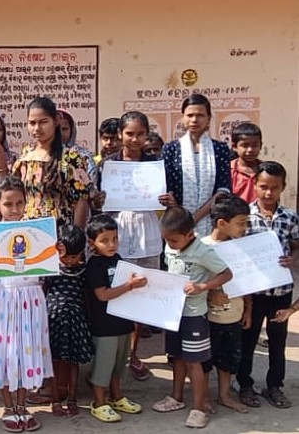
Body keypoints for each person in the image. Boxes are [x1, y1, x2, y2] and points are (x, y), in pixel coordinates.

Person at [0, 176, 52, 432]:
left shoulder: (37, 234)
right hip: (3, 300)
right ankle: (8, 407)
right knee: (6, 353)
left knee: (25, 352)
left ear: (26, 204)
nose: (15, 209)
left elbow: (47, 266)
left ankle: (22, 405)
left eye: (19, 203)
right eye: (9, 204)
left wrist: (56, 252)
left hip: (30, 299)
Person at [94, 112, 167, 382]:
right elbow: (97, 203)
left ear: (147, 134)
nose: (134, 139)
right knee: (120, 296)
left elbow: (168, 202)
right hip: (118, 236)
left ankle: (134, 354)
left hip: (147, 236)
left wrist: (166, 200)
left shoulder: (156, 164)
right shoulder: (108, 165)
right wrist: (98, 200)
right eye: (129, 133)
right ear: (120, 135)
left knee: (142, 300)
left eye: (140, 134)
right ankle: (117, 354)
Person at [153, 207, 232, 428]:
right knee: (176, 356)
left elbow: (226, 273)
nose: (169, 244)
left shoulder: (203, 251)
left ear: (190, 234)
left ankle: (199, 408)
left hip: (194, 315)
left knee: (194, 361)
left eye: (174, 240)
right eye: (166, 240)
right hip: (174, 312)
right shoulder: (171, 248)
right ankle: (176, 397)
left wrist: (203, 286)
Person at [238, 161, 299, 409]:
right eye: (263, 186)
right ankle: (244, 384)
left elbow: (296, 246)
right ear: (254, 185)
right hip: (254, 293)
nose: (268, 192)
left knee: (277, 340)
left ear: (283, 187)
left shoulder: (290, 217)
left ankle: (275, 385)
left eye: (274, 187)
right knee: (248, 339)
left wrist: (292, 259)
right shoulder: (245, 217)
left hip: (280, 291)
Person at [84, 215, 145, 423]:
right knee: (104, 365)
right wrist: (129, 286)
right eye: (105, 240)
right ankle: (99, 403)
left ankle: (116, 397)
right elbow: (102, 295)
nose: (111, 244)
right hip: (104, 326)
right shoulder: (94, 265)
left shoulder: (118, 260)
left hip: (123, 322)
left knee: (119, 365)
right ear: (92, 244)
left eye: (114, 239)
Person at [200, 193, 252, 413]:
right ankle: (202, 398)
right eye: (240, 224)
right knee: (204, 360)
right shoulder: (201, 247)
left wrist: (248, 309)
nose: (244, 229)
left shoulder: (241, 248)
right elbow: (192, 281)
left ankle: (224, 395)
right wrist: (210, 295)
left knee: (229, 359)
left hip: (234, 315)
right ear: (222, 223)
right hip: (207, 316)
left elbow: (249, 280)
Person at [14, 97, 93, 228]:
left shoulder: (71, 157)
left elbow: (81, 200)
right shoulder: (25, 157)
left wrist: (76, 236)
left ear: (56, 121)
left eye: (43, 122)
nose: (37, 128)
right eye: (32, 123)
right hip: (29, 231)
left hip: (60, 231)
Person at [161, 94, 233, 237]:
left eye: (200, 115)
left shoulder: (220, 148)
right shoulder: (171, 149)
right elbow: (167, 187)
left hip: (211, 223)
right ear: (183, 117)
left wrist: (194, 219)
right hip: (177, 223)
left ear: (208, 118)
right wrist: (180, 214)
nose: (194, 120)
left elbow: (223, 189)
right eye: (190, 115)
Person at [44, 225, 93, 417]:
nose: (71, 261)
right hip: (54, 320)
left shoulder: (84, 270)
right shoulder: (49, 269)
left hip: (76, 321)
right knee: (54, 361)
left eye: (75, 256)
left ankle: (72, 398)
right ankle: (55, 400)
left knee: (74, 362)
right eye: (66, 256)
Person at [56, 109, 96, 177]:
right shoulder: (40, 154)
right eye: (56, 129)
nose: (61, 133)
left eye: (65, 129)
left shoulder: (83, 155)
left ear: (72, 130)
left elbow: (93, 178)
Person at [230, 122, 263, 204]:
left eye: (255, 145)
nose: (250, 150)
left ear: (261, 146)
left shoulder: (266, 171)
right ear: (234, 146)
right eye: (245, 145)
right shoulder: (229, 171)